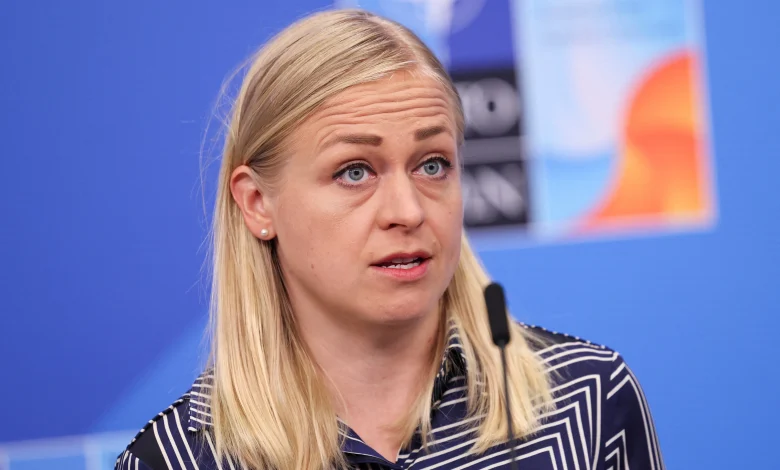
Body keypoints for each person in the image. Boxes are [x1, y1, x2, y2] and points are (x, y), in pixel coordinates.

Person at [115, 9, 664, 470]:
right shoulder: (174, 460)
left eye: (432, 165)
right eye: (355, 171)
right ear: (258, 203)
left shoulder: (587, 400)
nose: (408, 211)